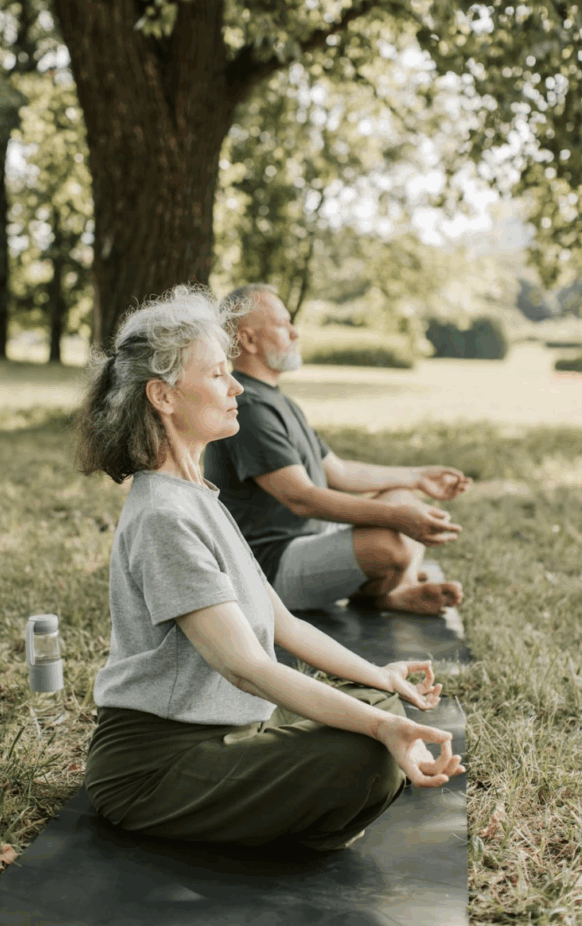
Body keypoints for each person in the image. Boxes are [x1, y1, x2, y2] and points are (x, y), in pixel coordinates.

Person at [77, 284, 464, 852]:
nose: (236, 387)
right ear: (162, 396)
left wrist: (380, 678)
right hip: (155, 767)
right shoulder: (163, 515)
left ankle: (294, 806)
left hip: (232, 729)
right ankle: (295, 815)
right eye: (216, 375)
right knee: (368, 754)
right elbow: (247, 668)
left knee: (379, 704)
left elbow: (284, 624)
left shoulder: (198, 496)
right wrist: (380, 729)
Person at [204, 284, 472, 616]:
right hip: (269, 568)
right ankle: (390, 589)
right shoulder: (249, 407)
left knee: (404, 497)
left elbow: (341, 473)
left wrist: (417, 477)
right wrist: (396, 518)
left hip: (309, 541)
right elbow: (301, 498)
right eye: (282, 324)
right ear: (248, 340)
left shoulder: (277, 400)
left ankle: (391, 592)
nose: (294, 332)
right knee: (391, 544)